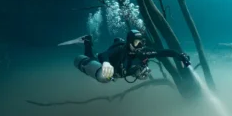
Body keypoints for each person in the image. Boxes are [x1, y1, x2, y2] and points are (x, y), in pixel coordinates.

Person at [59, 29, 191, 83]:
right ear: (129, 42)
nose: (139, 47)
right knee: (92, 60)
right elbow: (105, 55)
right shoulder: (121, 50)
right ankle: (87, 40)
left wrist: (178, 55)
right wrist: (105, 63)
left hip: (116, 72)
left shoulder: (143, 53)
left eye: (142, 43)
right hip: (104, 63)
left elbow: (161, 52)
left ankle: (88, 42)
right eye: (136, 43)